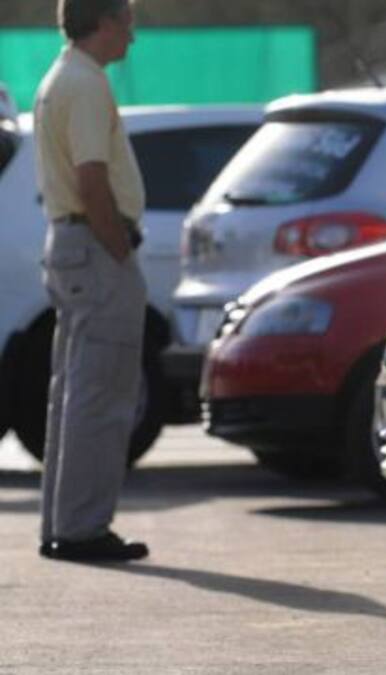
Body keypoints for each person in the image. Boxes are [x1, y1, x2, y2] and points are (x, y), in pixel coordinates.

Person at [35, 0, 148, 561]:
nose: (132, 34)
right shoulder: (84, 84)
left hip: (72, 245)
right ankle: (81, 530)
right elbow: (92, 178)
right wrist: (119, 247)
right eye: (127, 20)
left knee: (74, 394)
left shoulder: (63, 77)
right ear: (103, 22)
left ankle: (63, 525)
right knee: (99, 394)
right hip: (95, 248)